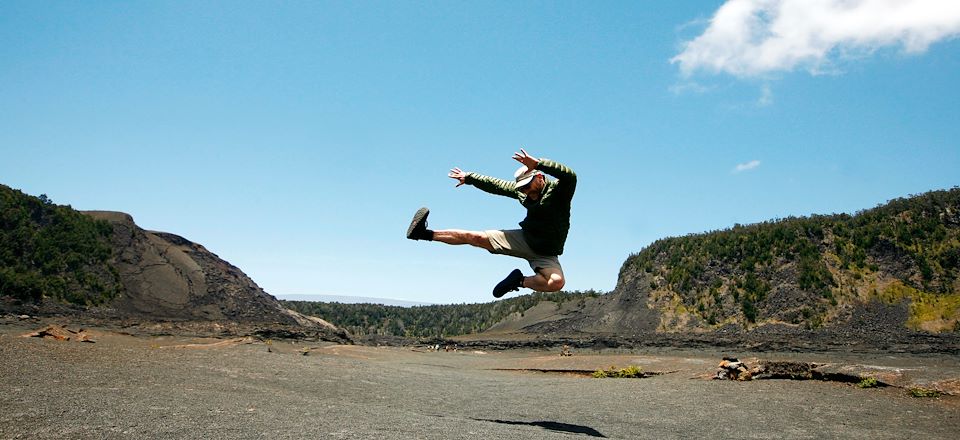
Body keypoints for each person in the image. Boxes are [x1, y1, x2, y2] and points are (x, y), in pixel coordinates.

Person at [406, 148, 577, 298]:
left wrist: (539, 163)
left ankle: (519, 281)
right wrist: (470, 177)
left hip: (546, 253)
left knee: (556, 283)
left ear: (539, 177)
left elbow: (570, 176)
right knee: (474, 237)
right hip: (525, 239)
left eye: (528, 186)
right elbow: (496, 185)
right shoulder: (523, 193)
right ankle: (422, 233)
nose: (526, 191)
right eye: (522, 188)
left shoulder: (559, 192)